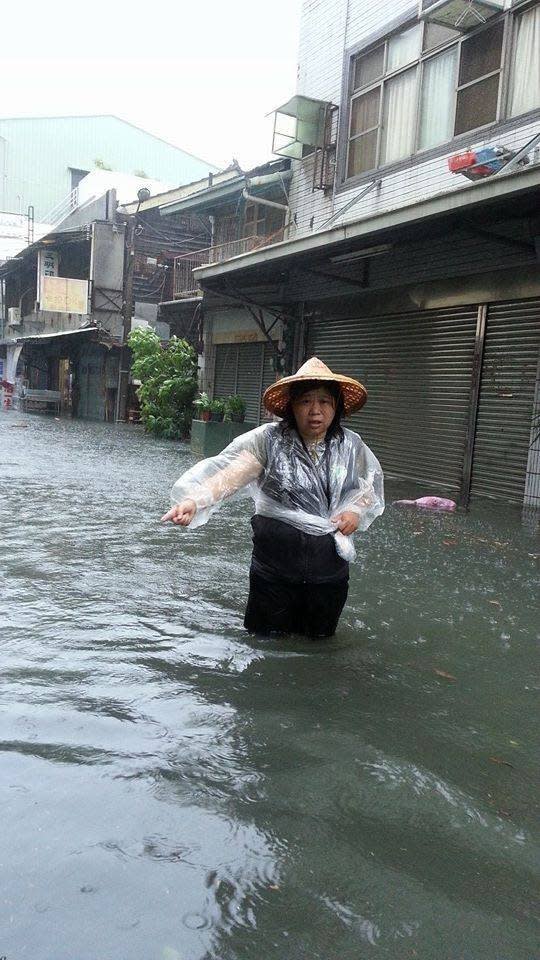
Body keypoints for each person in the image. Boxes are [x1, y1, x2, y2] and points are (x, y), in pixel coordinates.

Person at [161, 357, 384, 638]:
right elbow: (231, 475)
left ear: (336, 405)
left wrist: (355, 512)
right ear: (291, 406)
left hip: (328, 574)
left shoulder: (350, 445)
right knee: (264, 641)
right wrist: (195, 501)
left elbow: (368, 489)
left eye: (325, 402)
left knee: (318, 646)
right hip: (274, 573)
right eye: (305, 402)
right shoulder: (270, 441)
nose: (315, 411)